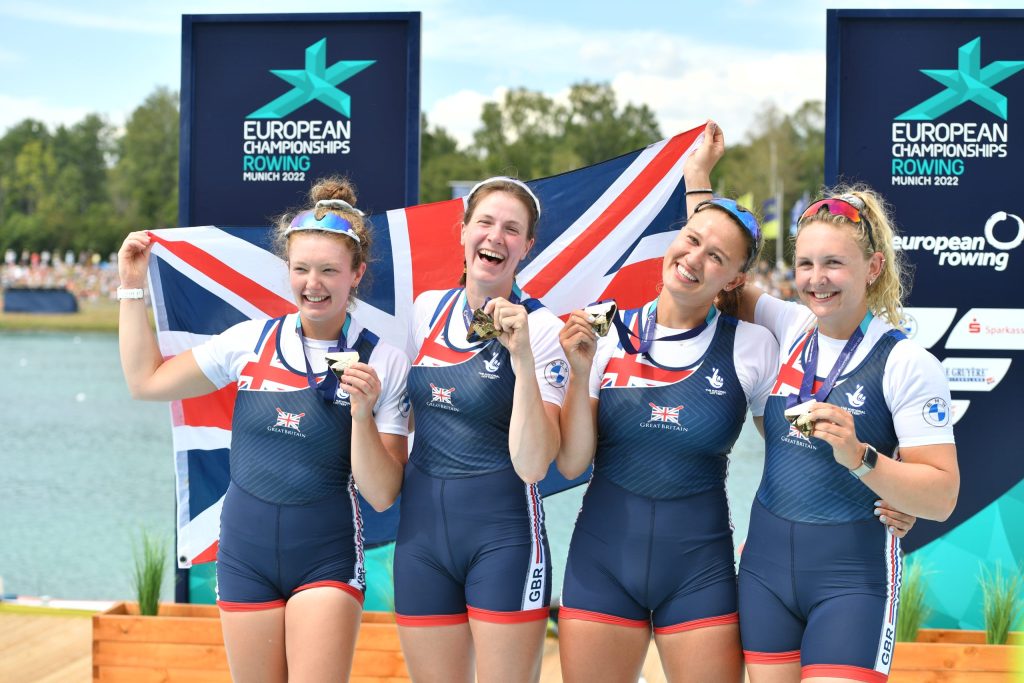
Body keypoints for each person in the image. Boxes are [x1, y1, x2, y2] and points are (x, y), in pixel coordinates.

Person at [689, 126, 959, 682]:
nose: (817, 279)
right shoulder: (789, 325)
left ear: (873, 268)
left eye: (834, 263)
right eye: (806, 264)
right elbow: (711, 268)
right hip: (764, 570)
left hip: (852, 579)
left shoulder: (906, 362)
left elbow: (941, 497)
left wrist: (864, 459)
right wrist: (698, 179)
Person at [117, 178, 410, 682]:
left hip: (326, 560)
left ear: (357, 273)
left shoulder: (383, 361)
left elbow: (382, 495)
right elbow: (146, 382)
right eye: (301, 269)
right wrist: (131, 287)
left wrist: (362, 414)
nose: (313, 283)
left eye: (329, 270)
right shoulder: (248, 342)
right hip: (243, 558)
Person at [555, 177, 777, 681]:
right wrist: (581, 372)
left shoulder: (753, 346)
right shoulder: (606, 335)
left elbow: (791, 453)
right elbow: (571, 463)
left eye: (716, 257)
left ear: (735, 280)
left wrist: (874, 485)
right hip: (601, 565)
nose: (694, 259)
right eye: (692, 240)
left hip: (699, 573)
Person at [394, 176, 567, 683]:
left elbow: (535, 463)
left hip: (504, 540)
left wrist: (522, 358)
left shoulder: (545, 330)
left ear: (527, 246)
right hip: (421, 540)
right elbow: (407, 419)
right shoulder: (426, 310)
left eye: (512, 229)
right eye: (485, 222)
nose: (496, 236)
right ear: (463, 231)